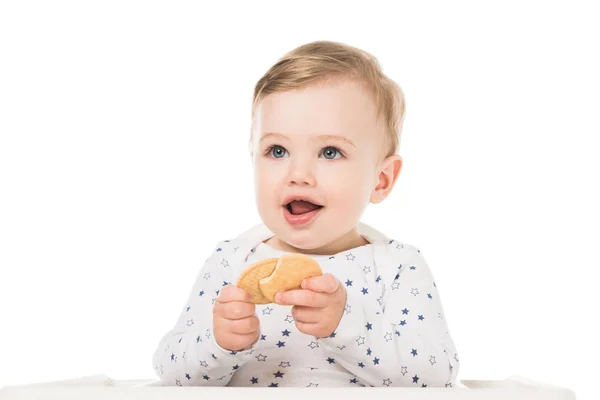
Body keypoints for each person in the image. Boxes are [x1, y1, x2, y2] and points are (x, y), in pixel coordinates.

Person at [152, 40, 460, 388]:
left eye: (330, 152)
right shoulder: (231, 262)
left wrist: (347, 325)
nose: (298, 173)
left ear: (381, 179)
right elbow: (169, 372)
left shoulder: (396, 267)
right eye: (277, 150)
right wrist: (218, 344)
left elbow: (438, 377)